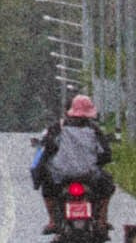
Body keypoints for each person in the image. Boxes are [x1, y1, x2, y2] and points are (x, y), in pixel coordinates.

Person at [31, 93, 114, 234]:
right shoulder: (94, 130)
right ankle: (101, 221)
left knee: (47, 187)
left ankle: (52, 221)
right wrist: (96, 162)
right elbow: (106, 154)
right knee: (107, 186)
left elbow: (48, 147)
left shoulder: (59, 128)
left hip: (62, 176)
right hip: (89, 175)